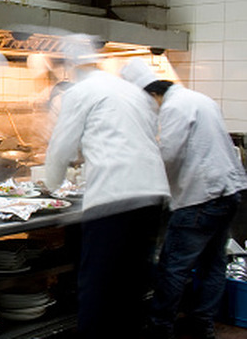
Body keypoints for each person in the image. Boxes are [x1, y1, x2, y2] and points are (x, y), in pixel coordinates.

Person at [44, 36, 170, 339]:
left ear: (71, 65)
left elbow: (61, 148)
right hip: (152, 197)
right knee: (132, 287)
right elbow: (145, 136)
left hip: (115, 199)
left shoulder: (81, 91)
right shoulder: (130, 90)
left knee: (98, 289)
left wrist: (51, 188)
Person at [121, 58, 247, 339]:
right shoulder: (198, 98)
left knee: (173, 267)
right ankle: (202, 325)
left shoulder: (174, 107)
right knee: (213, 264)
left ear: (152, 95)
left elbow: (168, 153)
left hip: (202, 199)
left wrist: (136, 178)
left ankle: (160, 328)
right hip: (228, 193)